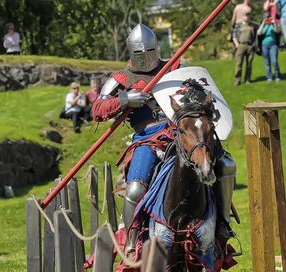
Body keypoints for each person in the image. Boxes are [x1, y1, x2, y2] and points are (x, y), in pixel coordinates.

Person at [92, 24, 237, 256]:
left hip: (181, 134)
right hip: (147, 139)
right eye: (140, 52)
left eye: (150, 50)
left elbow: (199, 97)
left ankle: (222, 224)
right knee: (134, 190)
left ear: (156, 47)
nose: (146, 57)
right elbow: (98, 108)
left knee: (227, 165)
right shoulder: (122, 78)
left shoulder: (176, 68)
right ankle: (131, 240)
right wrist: (125, 100)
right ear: (131, 51)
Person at [233, 13, 257, 86]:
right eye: (245, 17)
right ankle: (237, 80)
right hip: (241, 45)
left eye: (248, 17)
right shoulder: (238, 25)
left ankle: (247, 79)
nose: (247, 18)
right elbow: (234, 35)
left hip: (250, 45)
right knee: (239, 63)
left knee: (249, 63)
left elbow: (256, 34)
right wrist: (237, 44)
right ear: (243, 17)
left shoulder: (252, 25)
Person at [258, 12, 281, 83]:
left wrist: (274, 22)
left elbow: (277, 31)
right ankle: (269, 77)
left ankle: (277, 75)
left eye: (268, 17)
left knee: (274, 61)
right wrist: (263, 23)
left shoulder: (273, 25)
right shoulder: (263, 26)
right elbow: (259, 33)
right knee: (267, 62)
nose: (267, 19)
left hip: (273, 45)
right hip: (264, 45)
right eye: (266, 18)